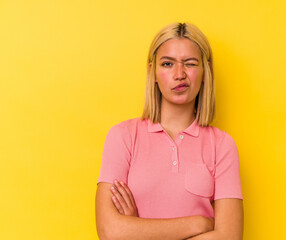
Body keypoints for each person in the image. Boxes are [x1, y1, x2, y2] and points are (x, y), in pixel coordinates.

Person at [95, 22, 244, 240]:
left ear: (205, 72)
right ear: (153, 72)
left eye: (190, 64)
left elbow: (229, 237)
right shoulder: (123, 137)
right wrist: (199, 223)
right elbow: (110, 232)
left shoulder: (222, 145)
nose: (179, 74)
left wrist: (138, 230)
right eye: (167, 64)